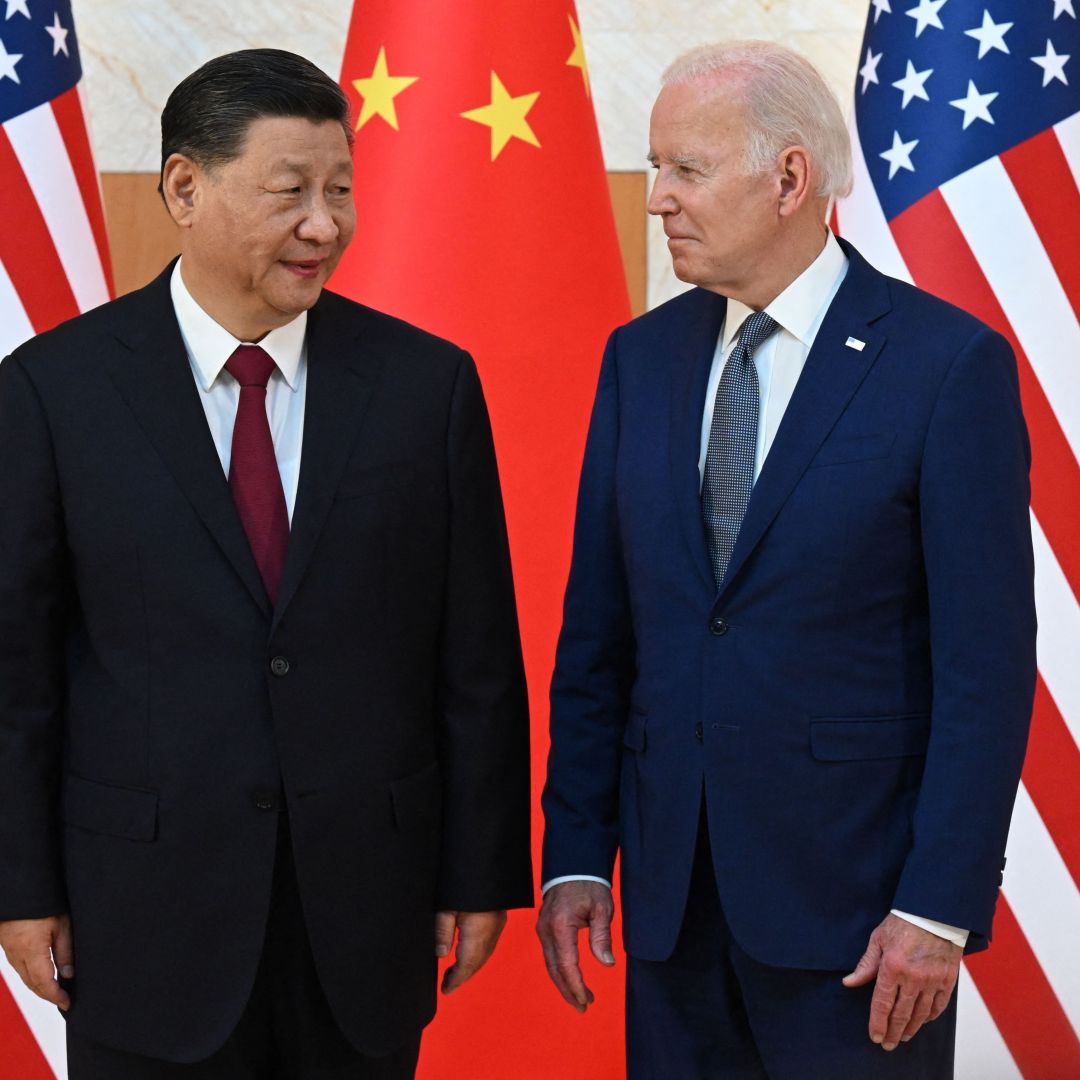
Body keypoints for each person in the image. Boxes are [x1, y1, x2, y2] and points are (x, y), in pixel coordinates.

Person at [0, 48, 531, 1079]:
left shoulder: (427, 388)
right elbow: (14, 674)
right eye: (291, 192)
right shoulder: (51, 393)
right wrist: (19, 885)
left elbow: (475, 658)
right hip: (142, 912)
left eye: (341, 191)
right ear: (186, 189)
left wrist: (479, 871)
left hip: (365, 910)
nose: (325, 225)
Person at [537, 40, 1035, 1079]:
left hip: (859, 927)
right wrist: (577, 851)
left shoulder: (947, 367)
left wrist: (938, 908)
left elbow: (984, 672)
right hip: (673, 912)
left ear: (791, 178)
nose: (658, 199)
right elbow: (600, 637)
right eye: (654, 168)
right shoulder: (641, 360)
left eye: (686, 169)